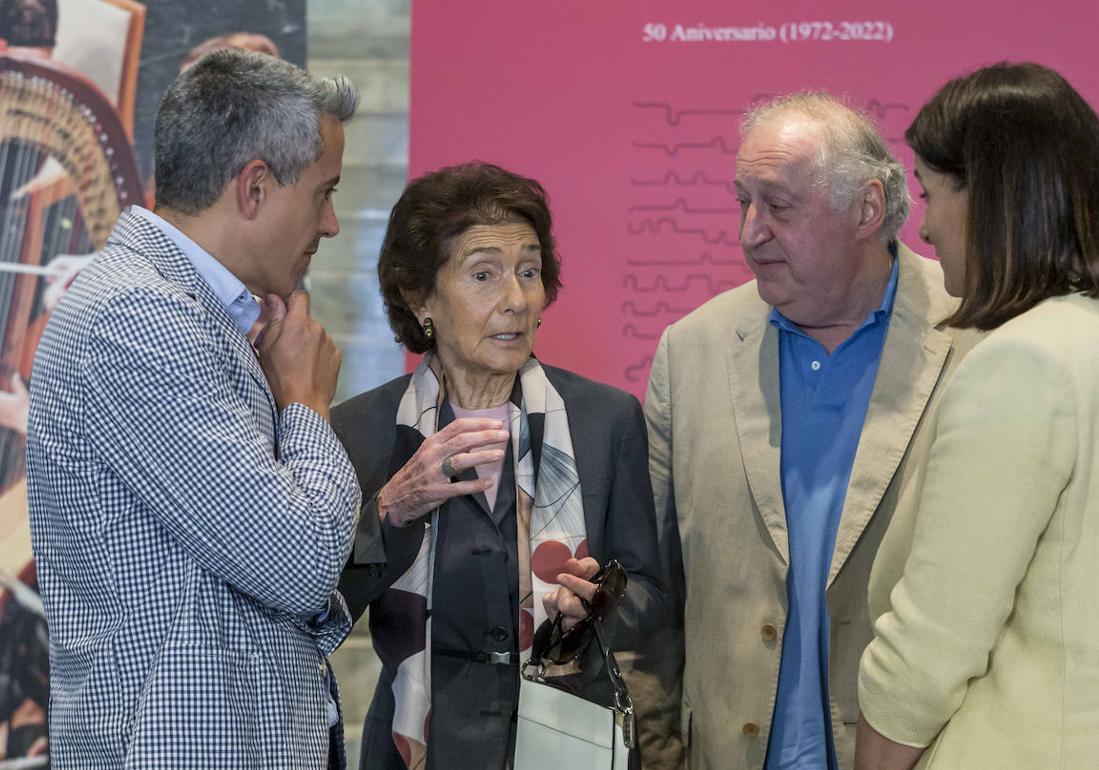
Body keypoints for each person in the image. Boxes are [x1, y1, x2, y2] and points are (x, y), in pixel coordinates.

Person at [854, 62, 1099, 770]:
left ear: (991, 196)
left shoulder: (1025, 361)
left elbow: (934, 639)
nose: (925, 230)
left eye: (931, 194)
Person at [24, 49, 362, 768]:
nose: (330, 225)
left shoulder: (188, 312)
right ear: (255, 187)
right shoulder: (139, 317)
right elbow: (298, 562)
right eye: (323, 193)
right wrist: (306, 404)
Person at [623, 92, 979, 770]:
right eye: (742, 202)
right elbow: (651, 600)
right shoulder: (690, 349)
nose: (749, 232)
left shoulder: (975, 341)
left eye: (779, 207)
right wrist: (659, 752)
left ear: (866, 210)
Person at [333, 161, 665, 769]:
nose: (516, 299)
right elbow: (322, 603)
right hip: (420, 747)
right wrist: (391, 509)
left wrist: (596, 606)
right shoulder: (360, 429)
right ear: (419, 295)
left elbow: (650, 592)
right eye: (483, 274)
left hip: (572, 739)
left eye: (530, 271)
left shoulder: (604, 418)